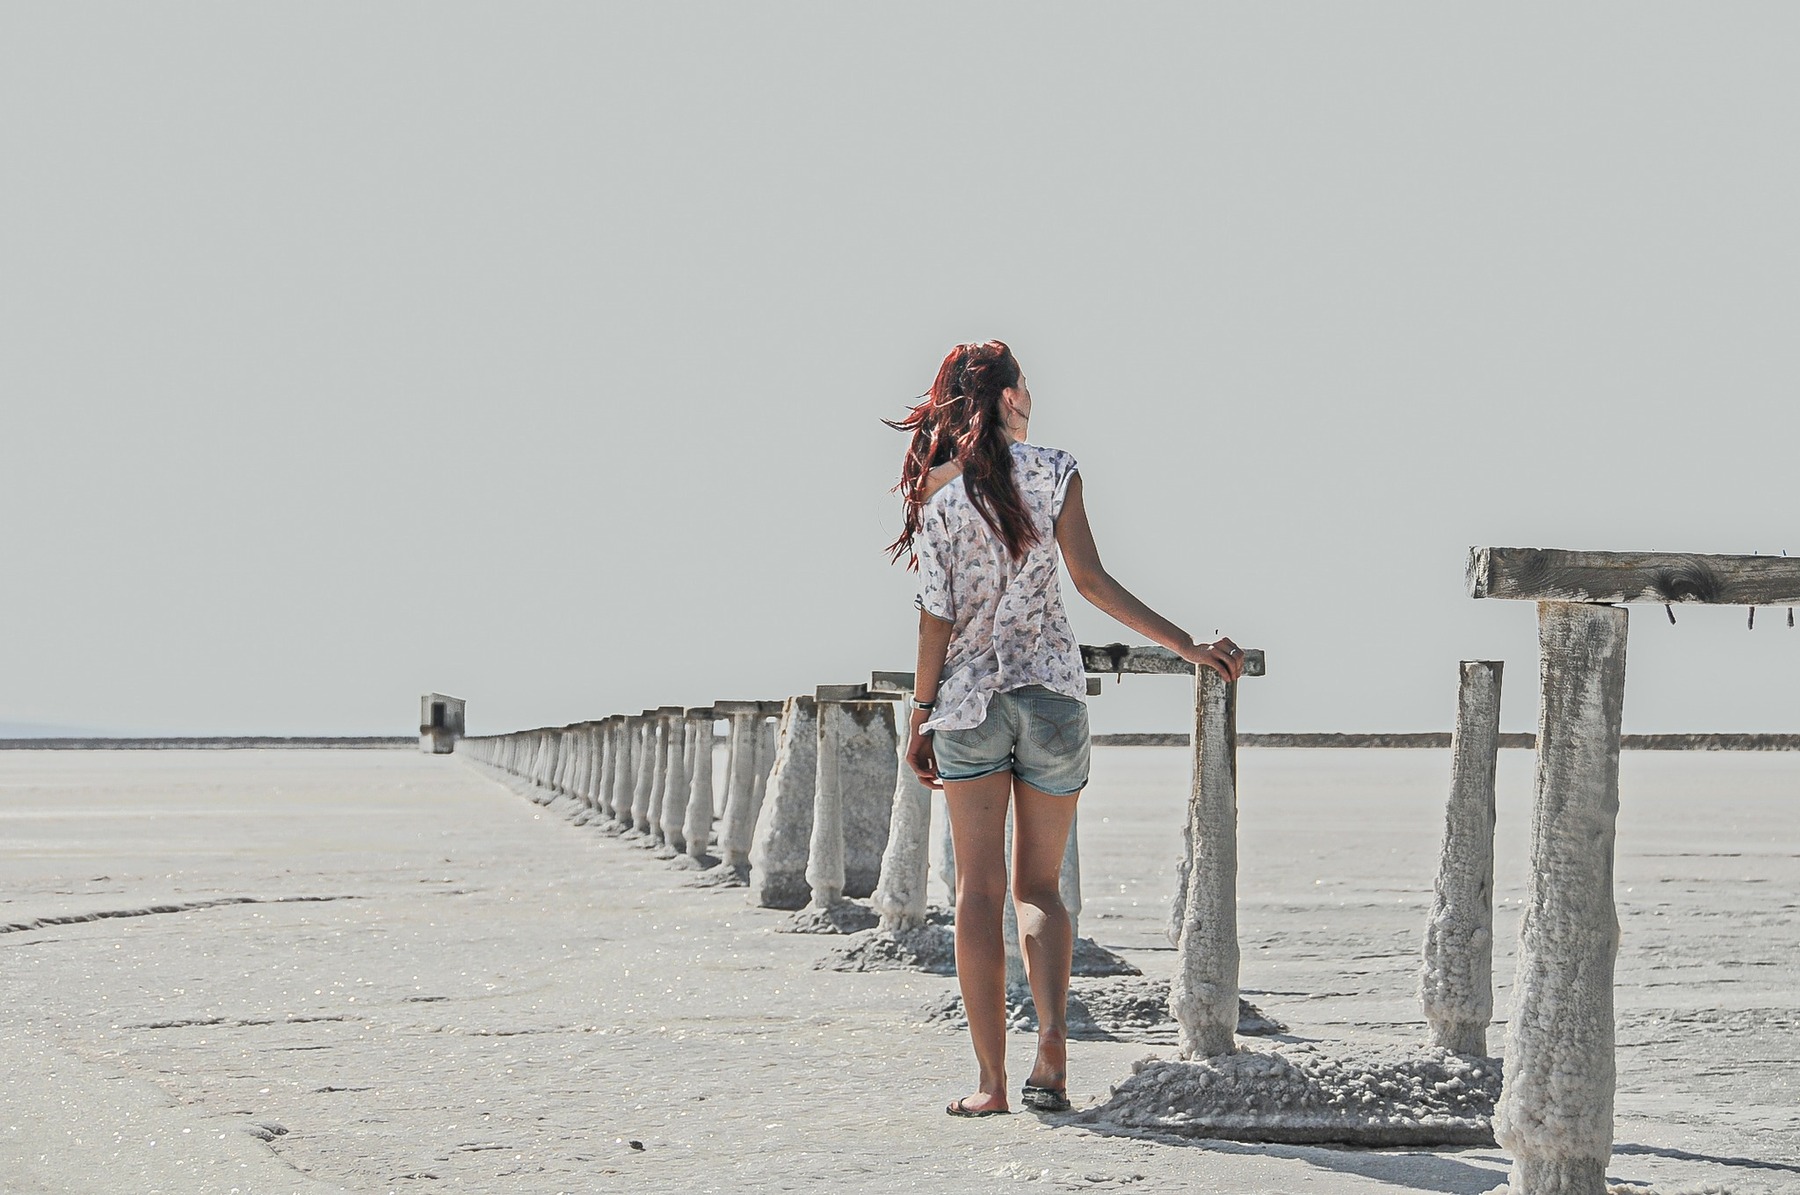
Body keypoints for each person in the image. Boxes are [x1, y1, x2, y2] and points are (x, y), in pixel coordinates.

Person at [887, 339, 1246, 1118]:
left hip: (970, 707)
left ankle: (990, 1082)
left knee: (979, 893)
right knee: (1038, 887)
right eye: (1028, 389)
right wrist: (1186, 644)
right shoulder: (1056, 471)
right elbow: (1091, 582)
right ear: (1011, 398)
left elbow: (933, 625)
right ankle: (1053, 1040)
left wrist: (921, 716)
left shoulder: (942, 503)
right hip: (1051, 698)